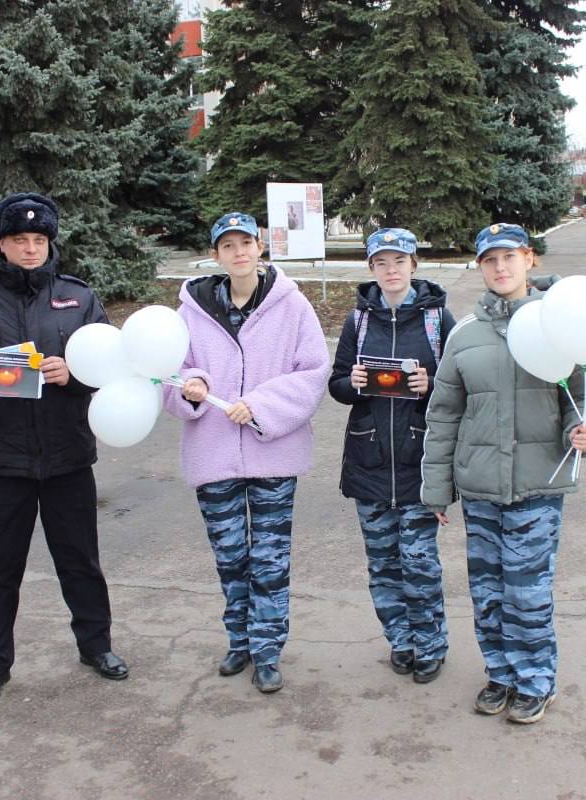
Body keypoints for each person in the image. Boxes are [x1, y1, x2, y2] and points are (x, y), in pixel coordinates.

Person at [0, 192, 128, 712]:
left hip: (68, 458)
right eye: (19, 239)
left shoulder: (78, 298)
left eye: (39, 239)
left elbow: (113, 365)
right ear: (1, 243)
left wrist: (73, 375)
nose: (31, 248)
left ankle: (96, 646)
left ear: (49, 242)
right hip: (1, 462)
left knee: (80, 562)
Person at [421, 222, 586, 725]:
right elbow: (444, 415)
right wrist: (436, 489)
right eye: (489, 260)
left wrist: (584, 434)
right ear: (480, 267)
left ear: (529, 260)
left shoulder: (559, 326)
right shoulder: (465, 335)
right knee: (488, 590)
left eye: (509, 258)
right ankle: (500, 673)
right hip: (479, 487)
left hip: (537, 484)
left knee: (527, 590)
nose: (500, 268)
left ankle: (535, 680)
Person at [163, 212, 329, 694]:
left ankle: (269, 647)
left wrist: (258, 406)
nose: (238, 252)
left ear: (261, 248)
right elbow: (173, 369)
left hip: (274, 452)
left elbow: (312, 372)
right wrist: (193, 389)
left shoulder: (292, 305)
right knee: (231, 556)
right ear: (215, 255)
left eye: (246, 243)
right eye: (227, 245)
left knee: (271, 558)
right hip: (213, 454)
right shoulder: (191, 310)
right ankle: (240, 639)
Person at [328, 228, 458, 684]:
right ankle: (400, 641)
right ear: (371, 269)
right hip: (369, 462)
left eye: (399, 261)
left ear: (414, 265)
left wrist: (432, 384)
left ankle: (431, 644)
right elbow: (337, 384)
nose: (391, 271)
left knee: (419, 562)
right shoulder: (357, 322)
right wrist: (355, 382)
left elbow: (459, 384)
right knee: (383, 563)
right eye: (381, 263)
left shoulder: (439, 320)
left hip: (419, 464)